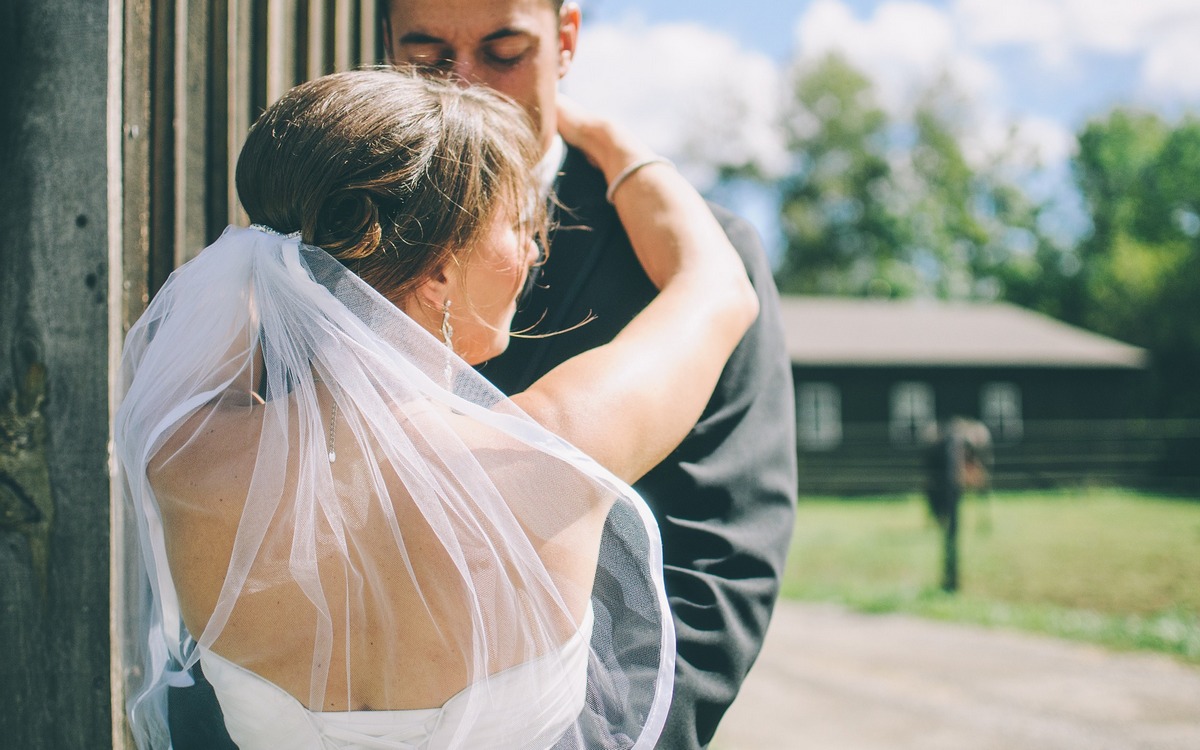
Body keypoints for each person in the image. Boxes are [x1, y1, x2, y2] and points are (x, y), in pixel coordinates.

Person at [116, 68, 758, 749]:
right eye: (517, 224)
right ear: (440, 271)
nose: (534, 249)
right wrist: (605, 137)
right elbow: (717, 287)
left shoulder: (182, 457)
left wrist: (279, 257)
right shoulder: (551, 451)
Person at [383, 2, 798, 747]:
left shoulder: (694, 252)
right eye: (428, 55)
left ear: (565, 40)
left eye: (504, 51)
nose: (468, 85)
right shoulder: (337, 235)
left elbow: (720, 558)